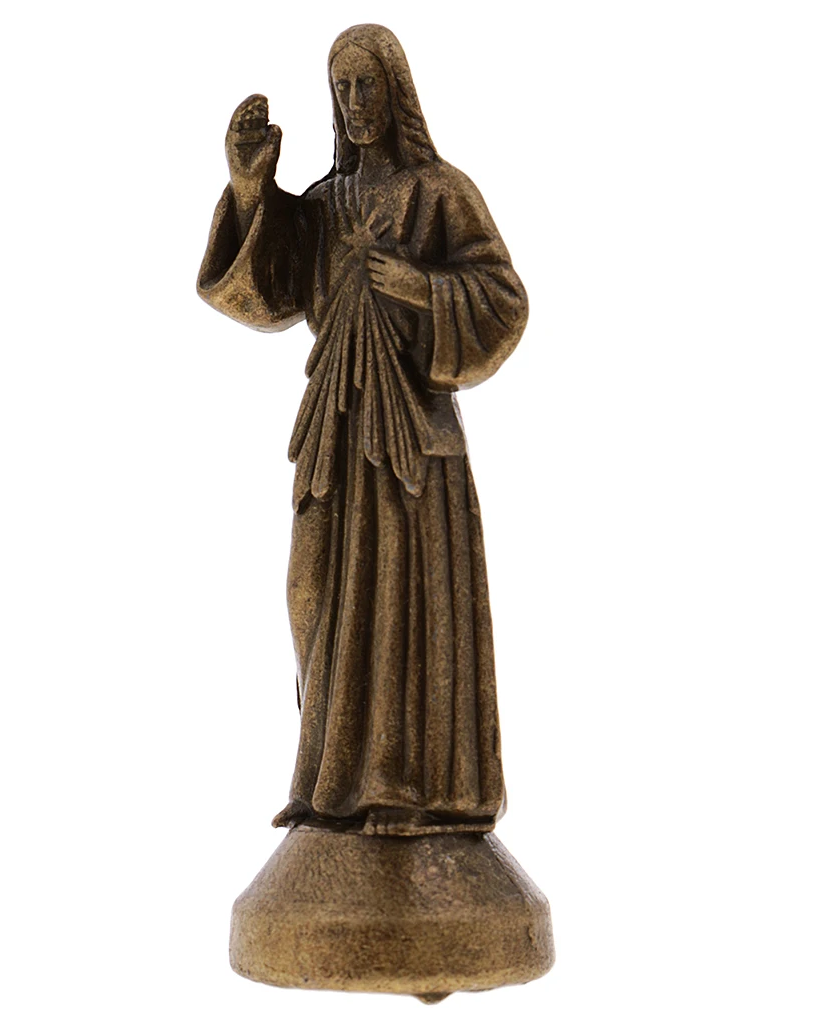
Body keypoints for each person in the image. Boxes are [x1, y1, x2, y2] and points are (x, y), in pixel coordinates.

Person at [197, 24, 528, 836]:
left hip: (412, 434)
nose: (355, 101)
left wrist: (418, 286)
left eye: (368, 83)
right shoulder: (324, 205)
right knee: (308, 591)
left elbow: (503, 300)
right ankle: (328, 779)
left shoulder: (440, 193)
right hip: (335, 429)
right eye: (342, 87)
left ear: (397, 90)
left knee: (402, 605)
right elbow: (263, 293)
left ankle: (398, 785)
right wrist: (250, 190)